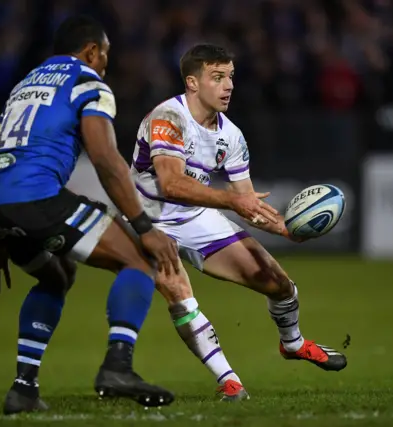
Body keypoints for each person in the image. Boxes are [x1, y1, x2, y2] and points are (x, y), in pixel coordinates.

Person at [0, 15, 181, 413]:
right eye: (105, 56)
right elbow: (105, 158)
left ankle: (23, 389)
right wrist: (143, 226)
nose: (106, 64)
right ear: (91, 51)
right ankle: (118, 366)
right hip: (35, 198)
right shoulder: (88, 82)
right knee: (138, 259)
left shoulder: (23, 87)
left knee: (56, 277)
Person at [128, 43, 348, 401]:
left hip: (196, 217)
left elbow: (247, 200)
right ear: (192, 83)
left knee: (279, 284)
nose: (228, 85)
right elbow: (171, 184)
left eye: (230, 76)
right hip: (146, 219)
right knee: (180, 295)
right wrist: (232, 200)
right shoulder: (168, 118)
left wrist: (286, 228)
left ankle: (292, 344)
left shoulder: (230, 135)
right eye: (217, 77)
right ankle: (228, 380)